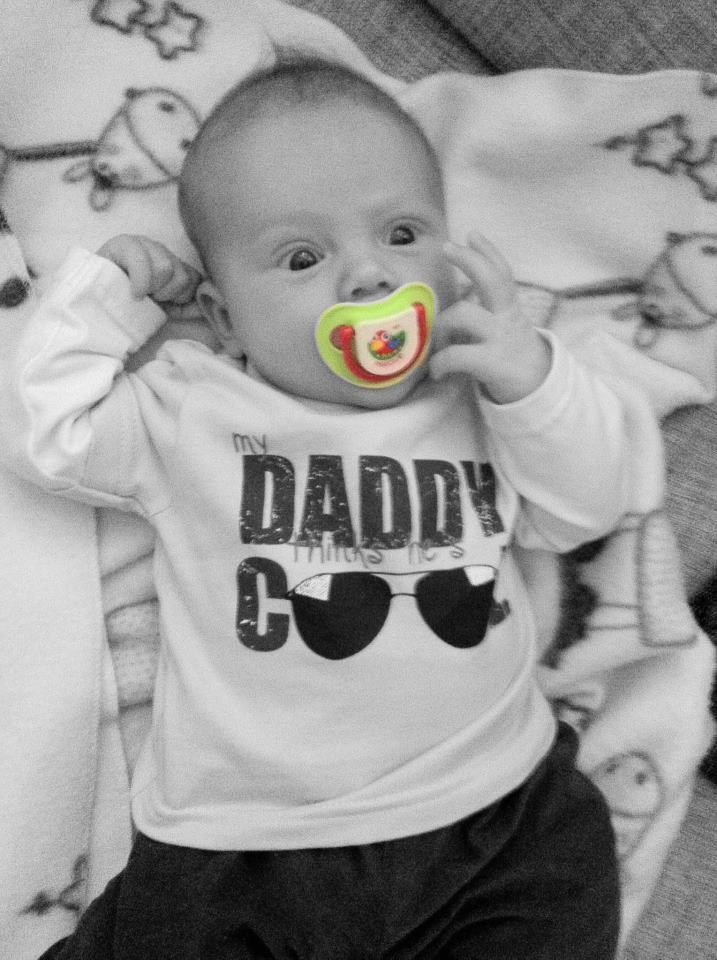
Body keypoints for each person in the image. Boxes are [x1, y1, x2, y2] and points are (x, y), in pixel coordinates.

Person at [4, 59, 627, 959]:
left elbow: (584, 509)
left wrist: (535, 383)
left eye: (402, 234)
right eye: (303, 257)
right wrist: (107, 299)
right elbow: (40, 432)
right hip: (246, 847)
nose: (369, 277)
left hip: (494, 815)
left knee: (566, 882)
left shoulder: (479, 390)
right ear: (223, 318)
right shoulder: (193, 407)